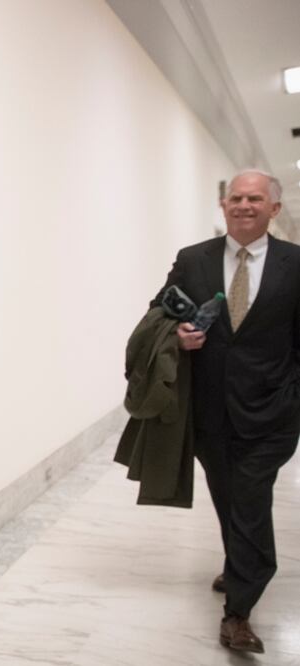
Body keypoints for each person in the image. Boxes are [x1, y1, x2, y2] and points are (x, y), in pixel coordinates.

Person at [153, 169, 299, 654]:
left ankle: (239, 612)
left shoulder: (295, 264)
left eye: (254, 199)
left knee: (251, 497)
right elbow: (160, 312)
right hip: (210, 410)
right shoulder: (194, 260)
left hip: (273, 411)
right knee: (227, 492)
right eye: (235, 197)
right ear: (224, 206)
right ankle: (239, 561)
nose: (243, 205)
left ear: (273, 210)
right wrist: (177, 335)